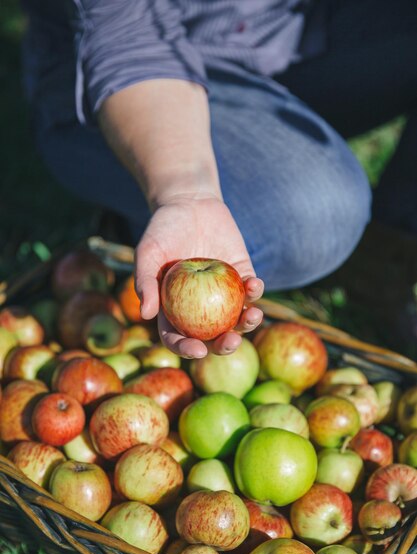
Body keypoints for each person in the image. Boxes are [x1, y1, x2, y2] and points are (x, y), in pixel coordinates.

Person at [22, 0, 417, 358]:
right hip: (139, 77)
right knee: (311, 216)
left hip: (293, 33)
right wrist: (184, 192)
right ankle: (129, 223)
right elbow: (128, 37)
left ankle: (380, 260)